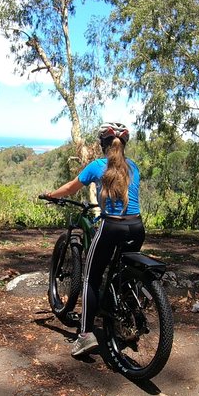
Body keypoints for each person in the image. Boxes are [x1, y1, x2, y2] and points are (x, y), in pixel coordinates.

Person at [44, 122, 144, 356]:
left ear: (102, 144)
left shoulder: (98, 166)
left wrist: (51, 195)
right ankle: (128, 318)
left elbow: (70, 188)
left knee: (90, 278)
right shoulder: (133, 167)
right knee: (126, 273)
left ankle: (85, 336)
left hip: (112, 227)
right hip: (137, 227)